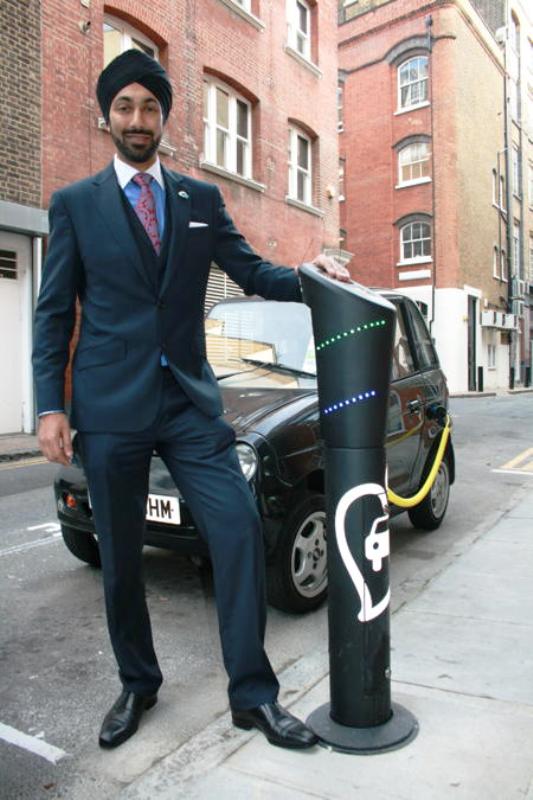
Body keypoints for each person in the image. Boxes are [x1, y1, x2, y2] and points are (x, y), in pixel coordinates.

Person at [33, 50, 350, 751]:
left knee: (236, 532)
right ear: (106, 115)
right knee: (119, 557)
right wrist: (50, 405)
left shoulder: (199, 200)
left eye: (150, 107)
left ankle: (252, 695)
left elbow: (250, 271)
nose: (138, 119)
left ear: (165, 116)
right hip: (110, 407)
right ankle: (138, 683)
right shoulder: (75, 205)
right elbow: (54, 312)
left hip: (187, 405)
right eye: (125, 107)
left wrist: (306, 272)